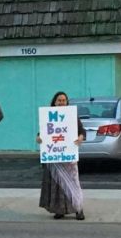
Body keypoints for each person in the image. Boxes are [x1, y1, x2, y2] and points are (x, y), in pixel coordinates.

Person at [36, 91, 86, 220]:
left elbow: (82, 131)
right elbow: (41, 133)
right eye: (59, 100)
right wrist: (39, 138)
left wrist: (80, 137)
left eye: (64, 100)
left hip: (68, 156)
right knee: (57, 184)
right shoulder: (47, 115)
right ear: (54, 102)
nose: (61, 102)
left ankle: (78, 209)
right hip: (54, 156)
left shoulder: (72, 116)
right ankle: (60, 210)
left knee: (73, 183)